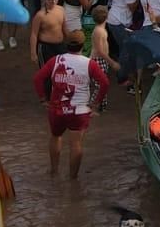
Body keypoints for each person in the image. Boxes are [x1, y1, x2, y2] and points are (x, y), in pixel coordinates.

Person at [33, 41, 109, 178]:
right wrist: (96, 103)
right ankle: (73, 178)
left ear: (67, 46)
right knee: (76, 144)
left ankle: (54, 172)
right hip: (79, 111)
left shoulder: (56, 60)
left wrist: (43, 99)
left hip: (57, 109)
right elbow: (105, 83)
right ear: (82, 46)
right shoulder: (89, 63)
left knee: (56, 137)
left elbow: (37, 78)